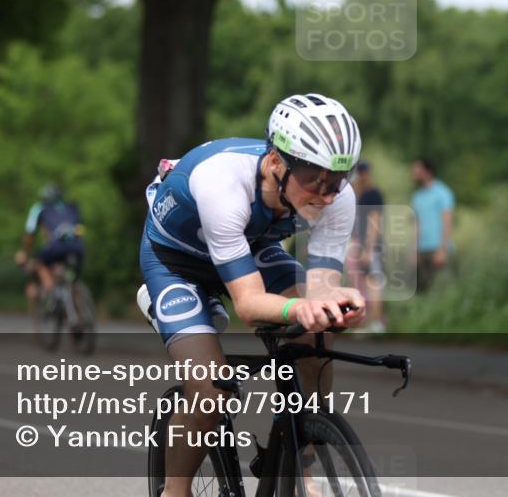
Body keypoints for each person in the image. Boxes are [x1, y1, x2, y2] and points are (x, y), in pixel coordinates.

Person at [137, 93, 366, 497]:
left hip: (251, 246)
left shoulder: (337, 199)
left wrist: (336, 307)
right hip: (178, 263)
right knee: (211, 389)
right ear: (277, 162)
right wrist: (301, 305)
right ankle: (174, 490)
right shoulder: (222, 182)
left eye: (336, 181)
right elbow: (248, 305)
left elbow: (322, 291)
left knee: (316, 340)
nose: (327, 195)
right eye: (314, 179)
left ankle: (300, 458)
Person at [15, 183, 85, 312]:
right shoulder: (71, 206)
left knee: (39, 263)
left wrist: (24, 253)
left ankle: (52, 292)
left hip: (55, 247)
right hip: (78, 247)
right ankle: (79, 309)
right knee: (73, 278)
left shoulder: (39, 208)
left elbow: (30, 234)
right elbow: (80, 228)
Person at [348, 160, 387, 332]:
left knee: (374, 283)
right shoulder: (361, 196)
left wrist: (369, 249)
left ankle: (377, 323)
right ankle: (368, 322)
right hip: (362, 245)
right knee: (364, 284)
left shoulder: (373, 194)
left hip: (372, 246)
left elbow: (375, 222)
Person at [410, 157, 455, 292]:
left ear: (427, 171)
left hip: (437, 249)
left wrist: (442, 249)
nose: (414, 172)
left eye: (417, 169)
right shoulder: (417, 196)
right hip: (422, 250)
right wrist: (414, 250)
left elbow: (447, 222)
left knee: (441, 291)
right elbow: (417, 225)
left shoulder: (443, 192)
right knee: (422, 291)